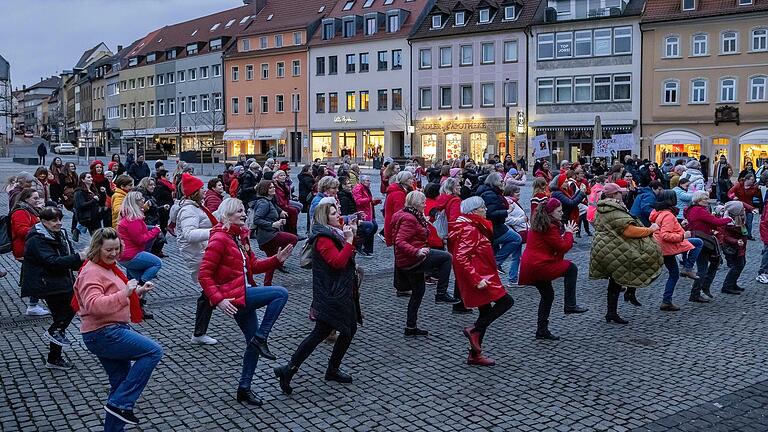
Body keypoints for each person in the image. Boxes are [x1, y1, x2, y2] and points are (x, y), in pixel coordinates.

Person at [199, 198, 291, 406]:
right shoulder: (220, 239)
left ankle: (244, 388)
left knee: (252, 345)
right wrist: (219, 300)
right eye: (239, 211)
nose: (243, 213)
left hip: (243, 293)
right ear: (227, 215)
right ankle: (262, 337)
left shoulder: (239, 237)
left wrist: (277, 260)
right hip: (235, 297)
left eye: (243, 210)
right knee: (280, 293)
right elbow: (204, 275)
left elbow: (254, 266)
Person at [73, 228, 162, 430]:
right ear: (96, 248)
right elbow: (94, 305)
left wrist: (137, 291)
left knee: (120, 383)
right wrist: (125, 293)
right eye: (109, 250)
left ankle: (116, 418)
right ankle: (121, 403)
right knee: (153, 351)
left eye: (117, 249)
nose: (114, 254)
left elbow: (116, 295)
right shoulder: (91, 272)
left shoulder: (108, 267)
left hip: (107, 331)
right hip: (104, 333)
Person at [274, 202, 360, 395]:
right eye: (333, 213)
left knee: (348, 329)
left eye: (337, 211)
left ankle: (329, 369)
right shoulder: (323, 239)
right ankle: (290, 369)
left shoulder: (334, 233)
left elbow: (347, 256)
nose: (338, 215)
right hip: (331, 295)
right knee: (321, 333)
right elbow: (337, 263)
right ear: (324, 217)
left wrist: (351, 235)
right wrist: (349, 240)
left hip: (341, 292)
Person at [450, 197, 513, 366]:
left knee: (485, 313)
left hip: (483, 276)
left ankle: (475, 354)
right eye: (482, 207)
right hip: (481, 278)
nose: (486, 210)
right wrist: (477, 279)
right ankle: (475, 331)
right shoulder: (471, 229)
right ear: (473, 212)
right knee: (506, 302)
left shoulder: (474, 226)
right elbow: (460, 257)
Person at [21, 206, 85, 369]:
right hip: (48, 283)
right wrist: (78, 256)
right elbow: (51, 262)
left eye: (59, 219)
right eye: (53, 220)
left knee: (63, 315)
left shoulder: (60, 233)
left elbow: (67, 256)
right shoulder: (36, 239)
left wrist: (80, 261)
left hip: (61, 281)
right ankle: (54, 349)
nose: (58, 223)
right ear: (43, 221)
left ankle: (54, 357)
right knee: (67, 312)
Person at [590, 183, 662, 324]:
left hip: (604, 247)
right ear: (613, 195)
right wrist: (650, 229)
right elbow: (629, 231)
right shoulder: (614, 210)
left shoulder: (603, 208)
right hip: (613, 248)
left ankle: (614, 310)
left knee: (615, 280)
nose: (622, 195)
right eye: (619, 193)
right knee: (640, 260)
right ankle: (618, 305)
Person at [519, 199, 587, 340]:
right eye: (559, 211)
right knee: (571, 268)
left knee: (547, 296)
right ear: (550, 212)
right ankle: (570, 304)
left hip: (532, 264)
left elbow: (553, 243)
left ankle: (542, 330)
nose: (562, 213)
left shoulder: (542, 223)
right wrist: (569, 233)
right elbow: (562, 247)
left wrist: (564, 235)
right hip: (539, 265)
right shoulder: (550, 226)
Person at [392, 191, 458, 334]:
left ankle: (410, 327)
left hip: (407, 259)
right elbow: (399, 241)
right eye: (423, 203)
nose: (425, 204)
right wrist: (417, 251)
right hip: (413, 258)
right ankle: (441, 293)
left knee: (418, 292)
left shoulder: (409, 215)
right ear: (415, 204)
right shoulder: (410, 219)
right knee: (447, 257)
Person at [174, 174, 219, 345]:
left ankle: (199, 333)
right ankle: (199, 333)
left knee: (209, 293)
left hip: (204, 253)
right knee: (208, 293)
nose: (204, 191)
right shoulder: (188, 210)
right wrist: (215, 232)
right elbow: (190, 234)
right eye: (201, 189)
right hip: (199, 257)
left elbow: (206, 223)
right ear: (194, 192)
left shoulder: (196, 207)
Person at [649, 190, 704, 311]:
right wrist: (683, 236)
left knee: (673, 274)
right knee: (698, 242)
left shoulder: (658, 212)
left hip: (662, 247)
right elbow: (665, 235)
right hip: (667, 247)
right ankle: (687, 268)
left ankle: (667, 301)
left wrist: (680, 229)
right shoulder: (668, 215)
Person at [116, 191, 162, 318]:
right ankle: (142, 283)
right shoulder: (133, 219)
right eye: (141, 199)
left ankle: (137, 309)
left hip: (125, 255)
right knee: (157, 263)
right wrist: (156, 231)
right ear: (136, 203)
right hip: (131, 254)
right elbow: (140, 239)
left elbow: (140, 229)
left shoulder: (129, 216)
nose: (144, 201)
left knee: (132, 281)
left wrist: (151, 227)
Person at [685, 191, 732, 301]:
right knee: (703, 268)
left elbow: (708, 222)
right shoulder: (699, 211)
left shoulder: (692, 209)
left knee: (710, 264)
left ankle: (702, 289)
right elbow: (716, 222)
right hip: (703, 241)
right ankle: (697, 292)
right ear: (698, 200)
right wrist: (728, 219)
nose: (707, 201)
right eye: (705, 199)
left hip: (699, 239)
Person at [476, 172, 522, 283]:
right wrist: (506, 211)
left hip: (497, 225)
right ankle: (496, 262)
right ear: (495, 182)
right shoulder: (489, 194)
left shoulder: (494, 192)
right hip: (494, 227)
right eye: (501, 181)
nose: (503, 182)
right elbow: (490, 213)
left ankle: (507, 277)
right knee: (516, 239)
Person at [10, 189, 50, 316]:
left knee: (37, 273)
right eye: (35, 198)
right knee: (37, 275)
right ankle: (33, 304)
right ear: (26, 199)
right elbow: (21, 231)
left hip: (31, 248)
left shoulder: (30, 210)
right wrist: (40, 227)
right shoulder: (21, 212)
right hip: (25, 249)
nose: (37, 200)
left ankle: (35, 302)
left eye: (38, 198)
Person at [252, 180, 299, 285]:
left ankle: (267, 284)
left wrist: (280, 212)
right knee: (293, 239)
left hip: (267, 236)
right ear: (265, 190)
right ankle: (280, 260)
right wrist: (272, 224)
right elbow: (257, 219)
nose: (273, 189)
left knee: (271, 262)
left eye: (273, 187)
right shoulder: (263, 203)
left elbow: (274, 206)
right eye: (270, 188)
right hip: (268, 236)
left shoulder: (269, 200)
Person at [719, 201, 748, 295]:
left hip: (739, 246)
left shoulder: (738, 217)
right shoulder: (728, 221)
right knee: (737, 266)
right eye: (741, 209)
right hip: (734, 247)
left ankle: (733, 283)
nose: (744, 209)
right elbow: (725, 236)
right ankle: (727, 286)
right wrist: (736, 241)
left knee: (741, 264)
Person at [352, 175, 381, 256]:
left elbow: (369, 202)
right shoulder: (359, 188)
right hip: (363, 214)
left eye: (369, 181)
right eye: (367, 180)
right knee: (370, 228)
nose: (369, 182)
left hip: (369, 213)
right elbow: (358, 201)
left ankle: (366, 248)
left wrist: (376, 201)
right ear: (362, 181)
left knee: (374, 227)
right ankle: (360, 246)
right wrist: (370, 200)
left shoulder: (366, 189)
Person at [728, 173, 761, 240]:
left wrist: (759, 190)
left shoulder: (754, 188)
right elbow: (730, 192)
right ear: (747, 179)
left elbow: (759, 196)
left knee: (749, 222)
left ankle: (748, 235)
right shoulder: (739, 185)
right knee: (739, 222)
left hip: (749, 207)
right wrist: (733, 197)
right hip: (740, 207)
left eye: (753, 180)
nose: (753, 181)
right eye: (752, 179)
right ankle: (739, 234)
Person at [384, 171, 413, 246]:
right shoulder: (399, 194)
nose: (412, 181)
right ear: (404, 180)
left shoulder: (401, 191)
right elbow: (400, 214)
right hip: (397, 228)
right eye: (410, 179)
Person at [273, 170, 300, 236]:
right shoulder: (276, 186)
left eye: (284, 175)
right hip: (280, 205)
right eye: (281, 175)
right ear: (276, 177)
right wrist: (285, 207)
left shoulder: (284, 185)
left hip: (285, 203)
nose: (283, 177)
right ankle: (292, 232)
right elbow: (279, 200)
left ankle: (292, 230)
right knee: (294, 211)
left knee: (297, 208)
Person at [153, 168, 175, 234]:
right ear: (162, 177)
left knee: (164, 223)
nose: (169, 177)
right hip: (162, 208)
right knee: (162, 225)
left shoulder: (167, 184)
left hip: (166, 207)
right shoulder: (160, 186)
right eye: (167, 175)